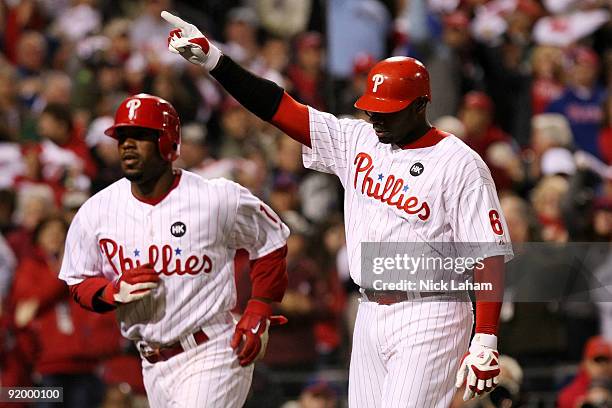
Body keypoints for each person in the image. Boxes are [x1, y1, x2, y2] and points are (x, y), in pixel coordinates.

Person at [162, 11, 513, 407]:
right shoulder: (356, 139)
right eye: (372, 107)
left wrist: (485, 337)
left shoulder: (459, 162)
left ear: (420, 106)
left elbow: (488, 253)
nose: (375, 116)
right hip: (368, 310)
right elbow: (280, 109)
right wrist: (216, 63)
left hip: (432, 312)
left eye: (388, 109)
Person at [58, 93, 290, 408]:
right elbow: (77, 279)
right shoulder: (96, 211)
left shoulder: (214, 198)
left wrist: (260, 308)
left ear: (168, 143)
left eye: (140, 136)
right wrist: (110, 292)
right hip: (151, 361)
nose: (127, 144)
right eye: (122, 136)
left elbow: (271, 238)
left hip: (213, 349)